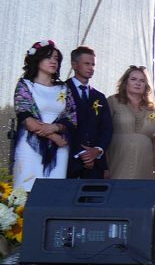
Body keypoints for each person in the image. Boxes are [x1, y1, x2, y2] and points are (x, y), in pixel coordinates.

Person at [11, 40, 74, 191]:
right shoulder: (25, 85)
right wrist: (54, 136)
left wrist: (55, 127)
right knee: (26, 190)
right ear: (37, 59)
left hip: (59, 151)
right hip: (29, 147)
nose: (53, 61)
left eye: (56, 58)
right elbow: (27, 119)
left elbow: (71, 117)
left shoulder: (64, 88)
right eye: (48, 57)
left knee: (53, 192)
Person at [108, 65, 155, 180]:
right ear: (125, 82)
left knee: (141, 190)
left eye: (142, 81)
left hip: (145, 163)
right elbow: (103, 130)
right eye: (133, 79)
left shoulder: (152, 108)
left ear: (146, 85)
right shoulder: (113, 101)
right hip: (117, 159)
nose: (138, 83)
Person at [66, 46, 111, 180]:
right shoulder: (62, 90)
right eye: (87, 63)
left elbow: (107, 128)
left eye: (93, 64)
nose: (91, 68)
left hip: (95, 164)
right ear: (74, 65)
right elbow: (63, 125)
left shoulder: (99, 97)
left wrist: (97, 150)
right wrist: (81, 153)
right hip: (69, 160)